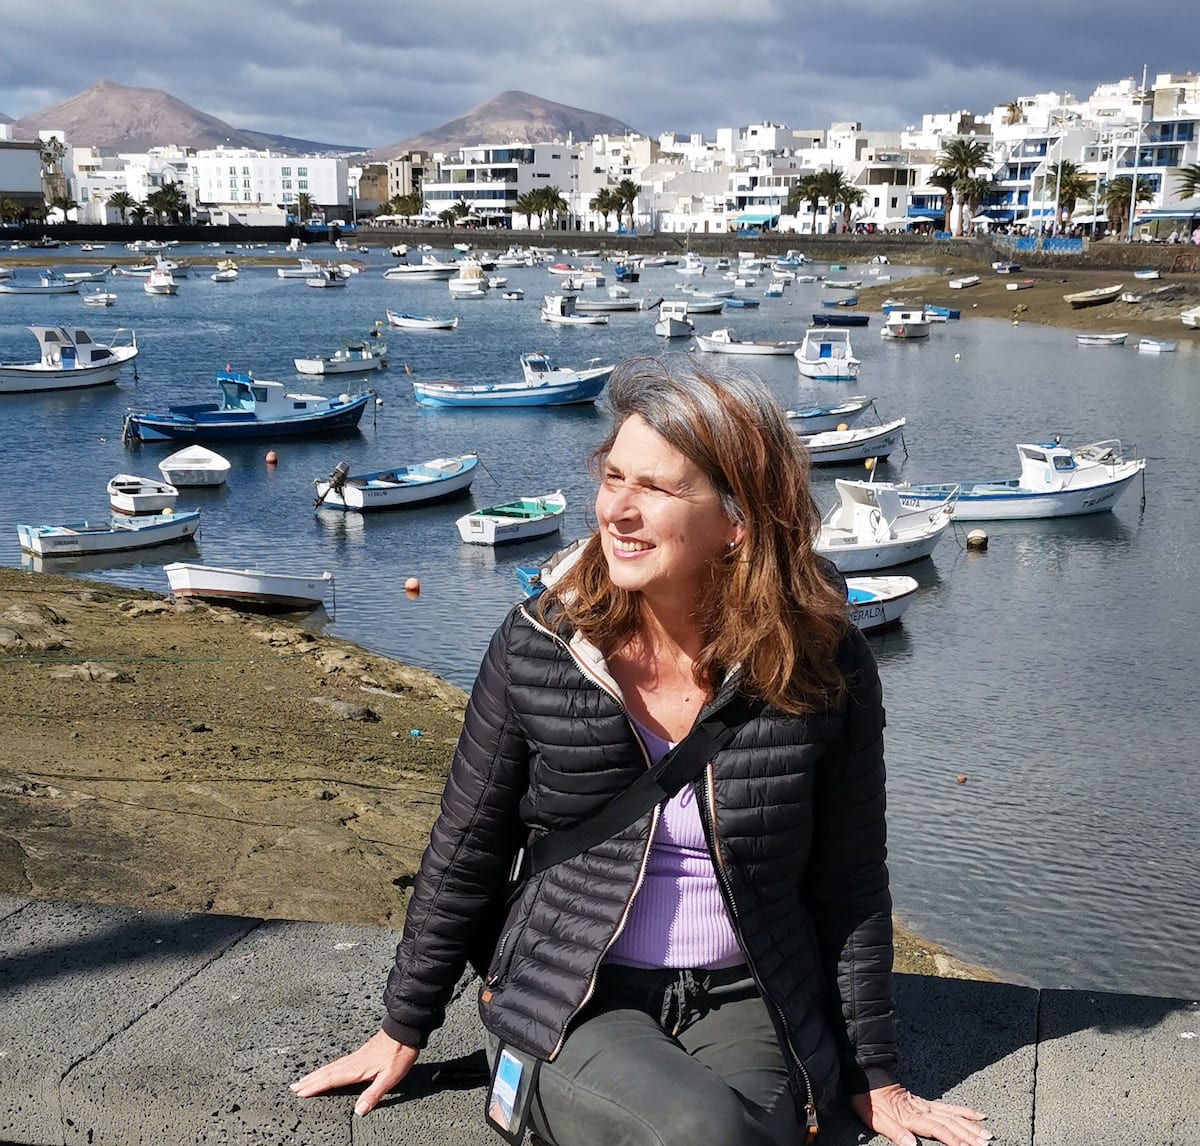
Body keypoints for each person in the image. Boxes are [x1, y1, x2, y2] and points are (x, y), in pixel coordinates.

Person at [292, 360, 990, 1146]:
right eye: (613, 477)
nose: (616, 511)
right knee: (703, 1133)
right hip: (572, 991)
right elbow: (467, 846)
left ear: (738, 520)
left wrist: (873, 1072)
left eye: (655, 489)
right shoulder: (541, 646)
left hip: (748, 991)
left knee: (772, 1130)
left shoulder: (823, 659)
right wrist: (403, 1025)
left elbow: (850, 876)